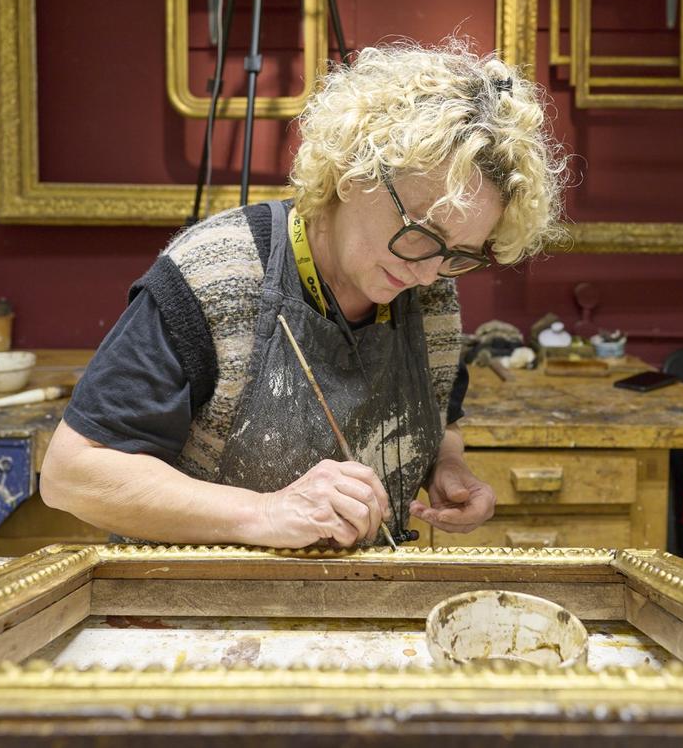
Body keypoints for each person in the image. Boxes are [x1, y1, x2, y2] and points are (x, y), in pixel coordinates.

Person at [40, 42, 567, 548]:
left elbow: (439, 415)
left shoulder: (428, 290)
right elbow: (72, 474)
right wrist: (265, 513)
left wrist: (447, 467)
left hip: (353, 605)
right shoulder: (215, 275)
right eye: (421, 233)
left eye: (459, 253)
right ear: (353, 172)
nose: (429, 274)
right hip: (199, 614)